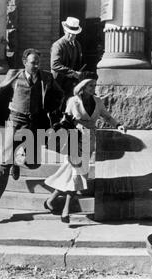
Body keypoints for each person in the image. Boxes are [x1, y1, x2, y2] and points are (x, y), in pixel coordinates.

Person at [0, 48, 64, 218]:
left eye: (38, 63)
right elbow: (0, 91)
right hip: (15, 121)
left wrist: (52, 110)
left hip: (36, 122)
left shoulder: (47, 77)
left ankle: (17, 161)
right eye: (33, 62)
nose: (36, 65)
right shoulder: (14, 75)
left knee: (34, 163)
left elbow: (59, 94)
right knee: (4, 161)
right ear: (24, 62)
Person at [44, 76, 126, 223]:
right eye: (90, 86)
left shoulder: (98, 101)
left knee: (72, 173)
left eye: (94, 85)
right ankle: (66, 211)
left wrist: (117, 124)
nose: (94, 88)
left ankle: (50, 200)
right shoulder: (73, 101)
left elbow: (106, 116)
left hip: (89, 139)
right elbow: (65, 120)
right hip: (74, 139)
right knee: (77, 174)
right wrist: (74, 126)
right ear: (82, 88)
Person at [51, 17, 84, 109]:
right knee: (57, 109)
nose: (71, 36)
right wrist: (73, 73)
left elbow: (78, 63)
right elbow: (55, 65)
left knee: (70, 109)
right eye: (69, 33)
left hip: (71, 85)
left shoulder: (77, 45)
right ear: (64, 31)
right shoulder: (58, 45)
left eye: (73, 34)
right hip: (58, 84)